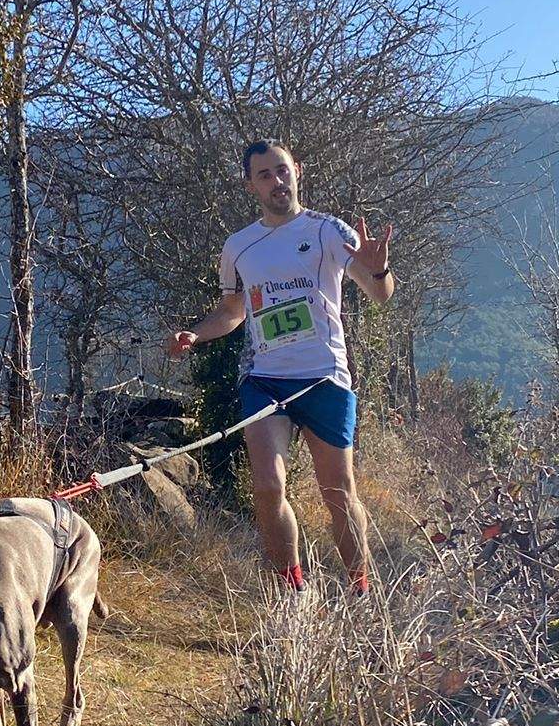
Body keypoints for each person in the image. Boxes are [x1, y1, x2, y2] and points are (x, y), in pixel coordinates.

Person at [166, 140, 394, 595]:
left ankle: (362, 590)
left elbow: (381, 294)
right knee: (269, 487)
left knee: (338, 493)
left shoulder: (330, 230)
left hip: (325, 377)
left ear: (298, 171)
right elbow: (231, 311)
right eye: (265, 175)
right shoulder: (239, 246)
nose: (277, 181)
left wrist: (378, 270)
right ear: (250, 185)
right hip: (264, 379)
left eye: (282, 170)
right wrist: (196, 333)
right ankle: (291, 595)